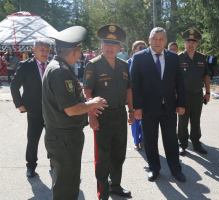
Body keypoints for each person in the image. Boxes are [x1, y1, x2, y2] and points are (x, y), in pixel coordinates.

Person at [43, 26, 108, 200]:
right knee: (67, 186)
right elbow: (71, 109)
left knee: (66, 181)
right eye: (79, 52)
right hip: (65, 137)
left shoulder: (57, 67)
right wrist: (92, 103)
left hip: (62, 136)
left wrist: (88, 105)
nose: (80, 56)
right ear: (75, 51)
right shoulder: (60, 71)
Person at [83, 24, 134, 200]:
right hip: (102, 117)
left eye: (114, 45)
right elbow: (87, 92)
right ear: (102, 46)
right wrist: (91, 115)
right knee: (103, 156)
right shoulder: (93, 65)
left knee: (119, 154)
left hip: (120, 115)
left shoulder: (124, 65)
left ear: (119, 48)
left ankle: (115, 186)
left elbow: (129, 90)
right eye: (106, 44)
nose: (110, 48)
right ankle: (103, 191)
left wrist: (131, 110)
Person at [130, 27, 186, 182]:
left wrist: (181, 103)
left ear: (166, 41)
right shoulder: (139, 57)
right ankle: (154, 168)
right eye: (155, 38)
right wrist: (137, 107)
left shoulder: (174, 58)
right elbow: (134, 85)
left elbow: (180, 83)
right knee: (150, 140)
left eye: (161, 39)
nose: (158, 41)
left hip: (169, 107)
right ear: (149, 39)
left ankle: (176, 170)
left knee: (171, 141)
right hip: (147, 107)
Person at [10, 38, 51, 178]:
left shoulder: (53, 65)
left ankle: (54, 163)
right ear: (34, 50)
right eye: (42, 50)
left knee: (52, 138)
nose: (45, 53)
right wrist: (19, 105)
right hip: (34, 111)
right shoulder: (25, 66)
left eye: (47, 50)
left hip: (52, 111)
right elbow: (14, 86)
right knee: (33, 140)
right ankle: (31, 166)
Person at [177, 29, 210, 156]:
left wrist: (207, 93)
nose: (191, 44)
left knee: (196, 120)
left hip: (197, 95)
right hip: (183, 96)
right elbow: (175, 79)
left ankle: (196, 143)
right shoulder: (179, 58)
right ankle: (183, 144)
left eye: (194, 42)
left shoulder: (201, 58)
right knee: (183, 121)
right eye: (188, 42)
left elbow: (206, 76)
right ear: (184, 43)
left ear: (197, 44)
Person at [127, 40, 147, 150]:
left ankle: (143, 140)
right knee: (135, 120)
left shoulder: (149, 62)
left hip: (145, 96)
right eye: (140, 48)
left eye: (144, 48)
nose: (142, 50)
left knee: (145, 119)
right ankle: (136, 141)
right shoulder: (127, 63)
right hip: (133, 96)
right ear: (134, 50)